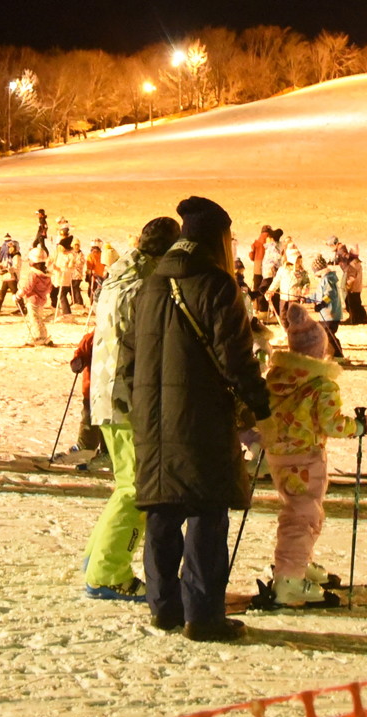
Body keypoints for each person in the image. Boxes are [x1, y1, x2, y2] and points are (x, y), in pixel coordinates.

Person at [121, 196, 271, 642]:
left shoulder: (149, 286)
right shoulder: (217, 286)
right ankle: (202, 616)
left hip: (152, 421)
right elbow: (236, 360)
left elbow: (128, 360)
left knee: (162, 511)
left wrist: (140, 407)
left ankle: (164, 609)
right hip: (201, 417)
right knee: (207, 513)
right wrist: (260, 404)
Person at [82, 216, 180, 602]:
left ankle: (98, 558)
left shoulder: (121, 275)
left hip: (109, 394)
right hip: (127, 397)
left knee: (126, 483)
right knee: (135, 488)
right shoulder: (146, 285)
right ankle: (107, 571)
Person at [259, 304, 367, 607]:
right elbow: (331, 423)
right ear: (319, 352)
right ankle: (289, 579)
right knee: (304, 515)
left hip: (279, 456)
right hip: (306, 457)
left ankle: (297, 561)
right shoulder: (321, 384)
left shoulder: (276, 378)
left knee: (300, 510)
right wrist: (356, 427)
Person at [69, 330, 103, 456]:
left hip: (110, 390)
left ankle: (108, 451)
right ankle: (85, 448)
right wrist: (78, 362)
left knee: (108, 423)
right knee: (89, 421)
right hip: (92, 390)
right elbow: (80, 353)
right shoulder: (91, 338)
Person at [310, 255, 345, 359]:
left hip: (331, 314)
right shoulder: (324, 280)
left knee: (328, 335)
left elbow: (331, 294)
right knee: (324, 334)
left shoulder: (328, 279)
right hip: (325, 315)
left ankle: (338, 355)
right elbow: (318, 294)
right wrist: (306, 299)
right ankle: (328, 353)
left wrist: (322, 304)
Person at [20, 245, 54, 346]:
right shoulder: (46, 275)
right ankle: (42, 335)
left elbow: (28, 287)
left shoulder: (33, 274)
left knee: (34, 319)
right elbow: (49, 288)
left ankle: (38, 337)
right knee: (38, 318)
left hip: (32, 300)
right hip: (42, 300)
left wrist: (18, 295)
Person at [0, 236, 22, 313]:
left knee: (15, 292)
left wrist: (7, 270)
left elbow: (16, 267)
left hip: (12, 277)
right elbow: (4, 264)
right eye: (9, 247)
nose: (10, 249)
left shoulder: (16, 256)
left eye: (12, 247)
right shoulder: (7, 256)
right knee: (2, 292)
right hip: (6, 277)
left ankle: (21, 307)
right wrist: (1, 268)